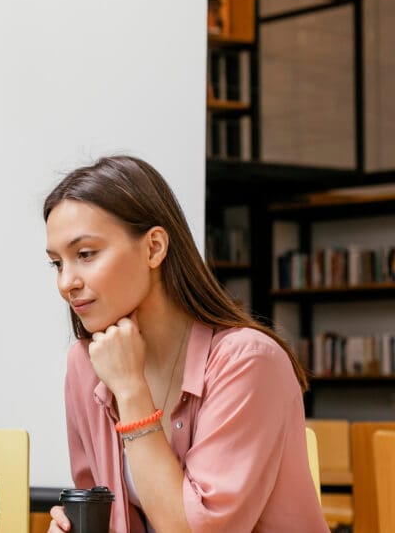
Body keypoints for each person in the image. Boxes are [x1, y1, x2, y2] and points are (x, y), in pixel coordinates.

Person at [42, 155, 326, 532]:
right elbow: (102, 508)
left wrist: (130, 390)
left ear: (154, 248)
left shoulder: (249, 362)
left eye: (85, 254)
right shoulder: (86, 364)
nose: (66, 283)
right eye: (57, 263)